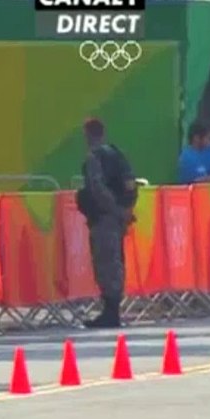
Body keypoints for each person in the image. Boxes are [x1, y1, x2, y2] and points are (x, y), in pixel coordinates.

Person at [76, 118, 137, 329]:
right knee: (115, 261)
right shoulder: (117, 154)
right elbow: (130, 184)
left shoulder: (94, 157)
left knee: (105, 262)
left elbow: (97, 188)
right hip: (117, 218)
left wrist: (115, 210)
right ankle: (112, 311)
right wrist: (126, 210)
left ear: (87, 134)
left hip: (104, 217)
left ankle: (110, 312)